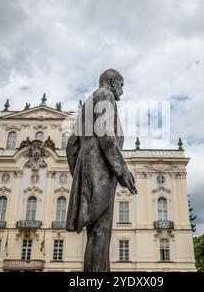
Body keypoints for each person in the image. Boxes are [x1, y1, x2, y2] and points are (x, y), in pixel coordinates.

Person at [65, 68, 137, 272]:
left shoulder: (88, 103)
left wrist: (80, 175)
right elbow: (105, 133)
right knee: (101, 231)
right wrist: (122, 170)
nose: (122, 91)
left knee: (95, 233)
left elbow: (71, 145)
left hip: (90, 170)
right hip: (102, 170)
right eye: (121, 85)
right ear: (112, 82)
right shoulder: (105, 95)